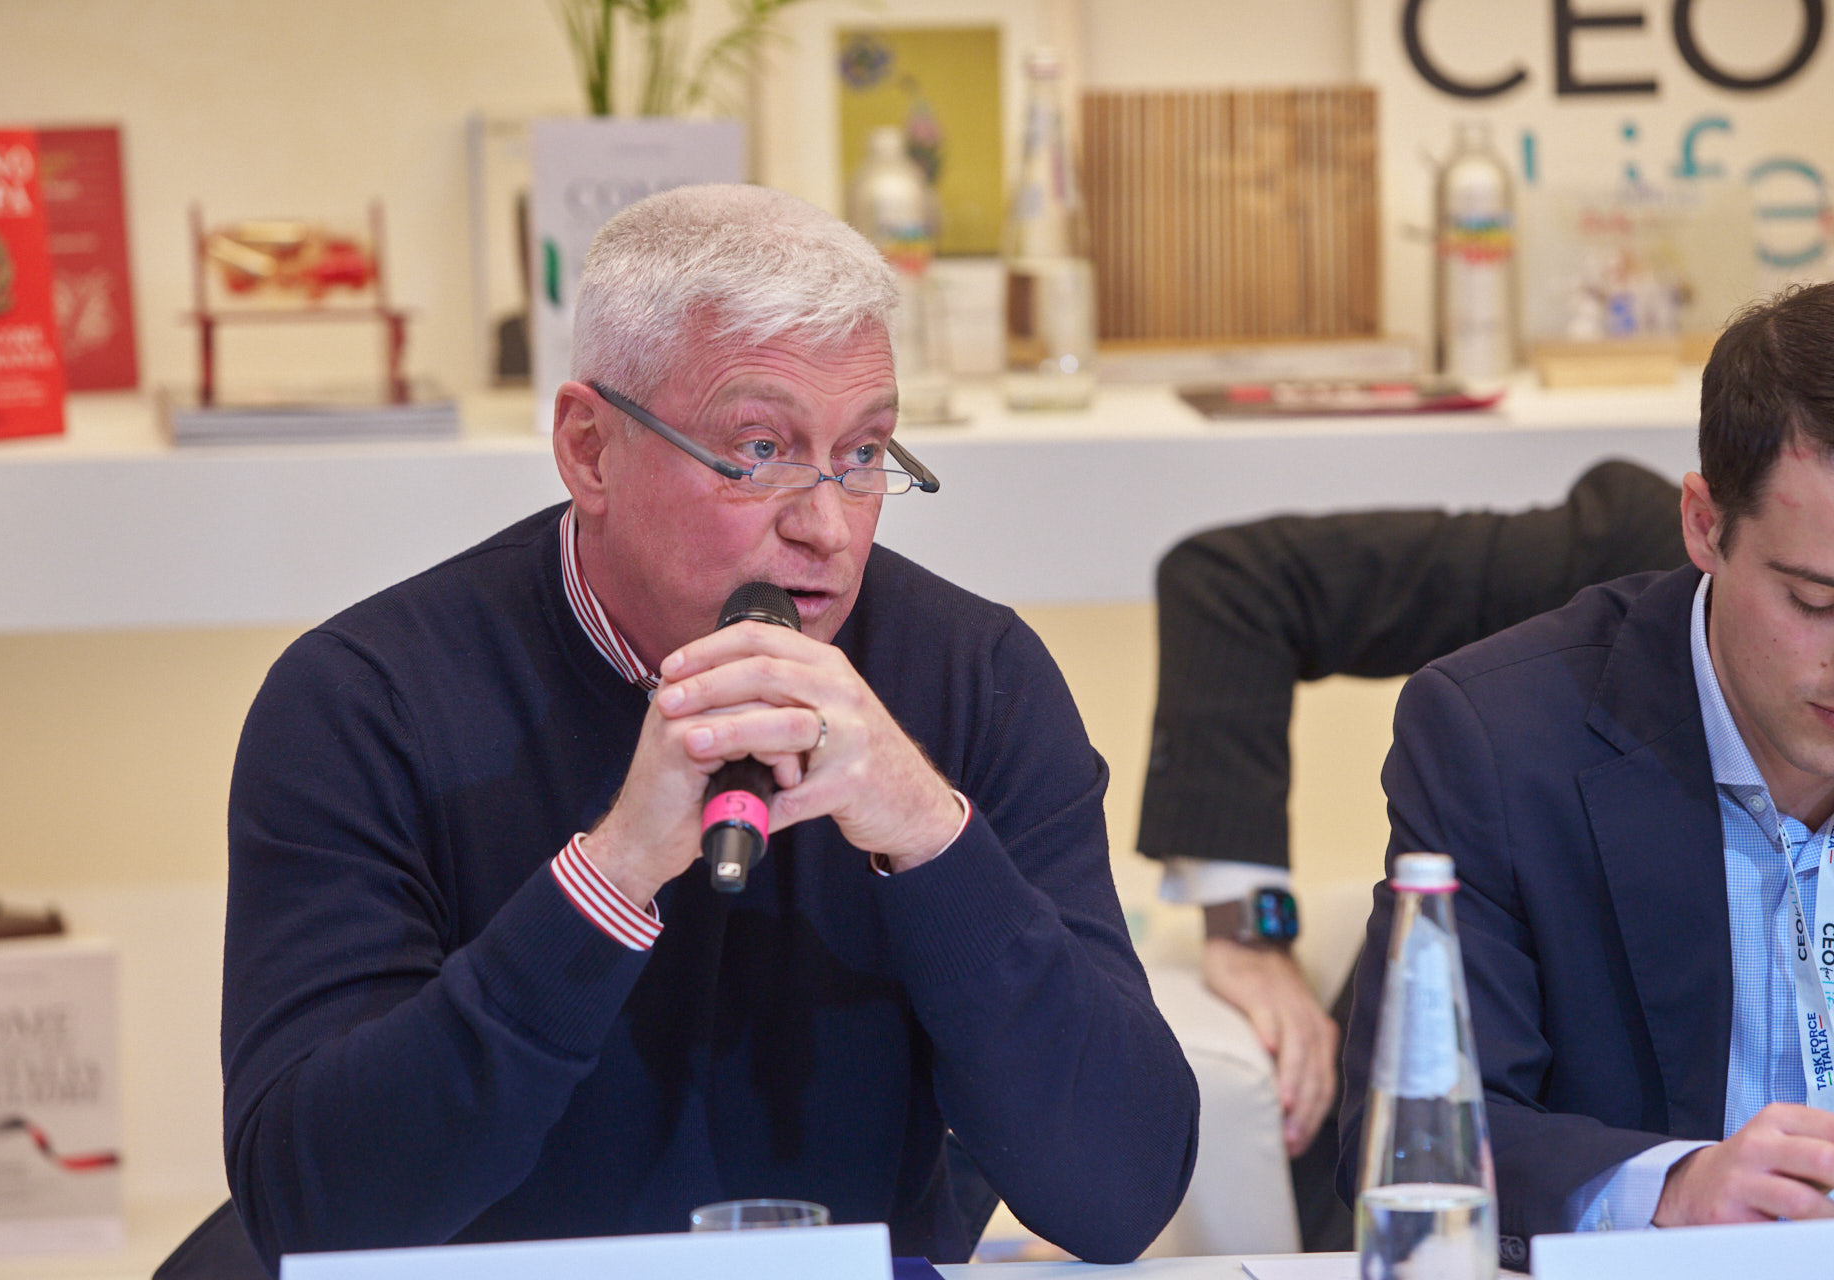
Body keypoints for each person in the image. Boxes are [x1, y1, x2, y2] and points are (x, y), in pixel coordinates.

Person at [216, 184, 1197, 1274]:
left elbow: (1120, 1195)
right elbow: (313, 1211)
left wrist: (932, 836)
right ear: (590, 449)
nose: (826, 527)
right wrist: (610, 876)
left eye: (864, 453)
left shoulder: (977, 678)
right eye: (759, 449)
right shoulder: (364, 703)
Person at [1338, 278, 1834, 1265]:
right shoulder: (1500, 739)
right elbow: (1415, 1133)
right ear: (1705, 525)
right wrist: (1672, 1190)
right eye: (1819, 601)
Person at [1137, 461, 1685, 1249]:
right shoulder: (1642, 557)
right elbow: (1233, 584)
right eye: (1815, 601)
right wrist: (1250, 928)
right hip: (1468, 1209)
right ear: (1712, 525)